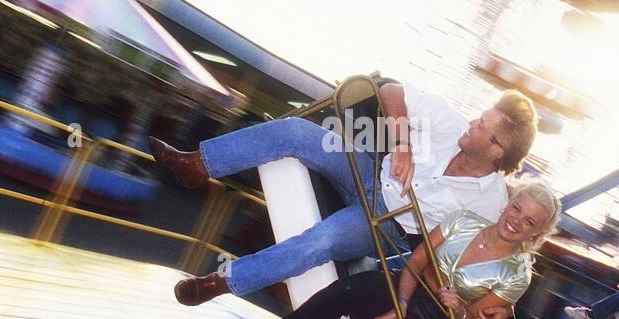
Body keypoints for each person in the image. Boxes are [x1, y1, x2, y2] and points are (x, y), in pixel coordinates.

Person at [149, 80, 538, 303]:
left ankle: (222, 282)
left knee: (321, 241)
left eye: (481, 125)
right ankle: (196, 166)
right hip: (369, 171)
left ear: (495, 150)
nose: (471, 123)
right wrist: (401, 145)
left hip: (389, 228)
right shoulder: (451, 124)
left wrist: (468, 297)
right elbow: (392, 90)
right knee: (296, 132)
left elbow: (492, 252)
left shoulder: (492, 204)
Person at [206, 181, 561, 319]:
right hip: (406, 288)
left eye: (529, 222)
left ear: (536, 233)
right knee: (347, 290)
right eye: (516, 208)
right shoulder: (463, 220)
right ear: (507, 204)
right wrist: (402, 305)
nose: (517, 221)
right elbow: (415, 263)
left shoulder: (517, 274)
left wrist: (459, 308)